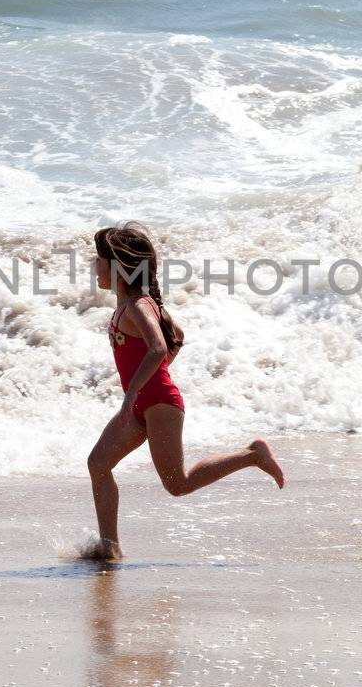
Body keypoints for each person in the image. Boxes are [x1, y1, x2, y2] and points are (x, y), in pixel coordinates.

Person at [85, 222, 283, 562]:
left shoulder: (137, 304)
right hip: (146, 403)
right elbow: (177, 335)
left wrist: (134, 391)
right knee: (98, 463)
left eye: (99, 259)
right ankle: (110, 548)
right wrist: (146, 383)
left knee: (178, 483)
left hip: (159, 403)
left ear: (118, 265)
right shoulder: (131, 305)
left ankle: (253, 454)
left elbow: (159, 346)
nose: (93, 267)